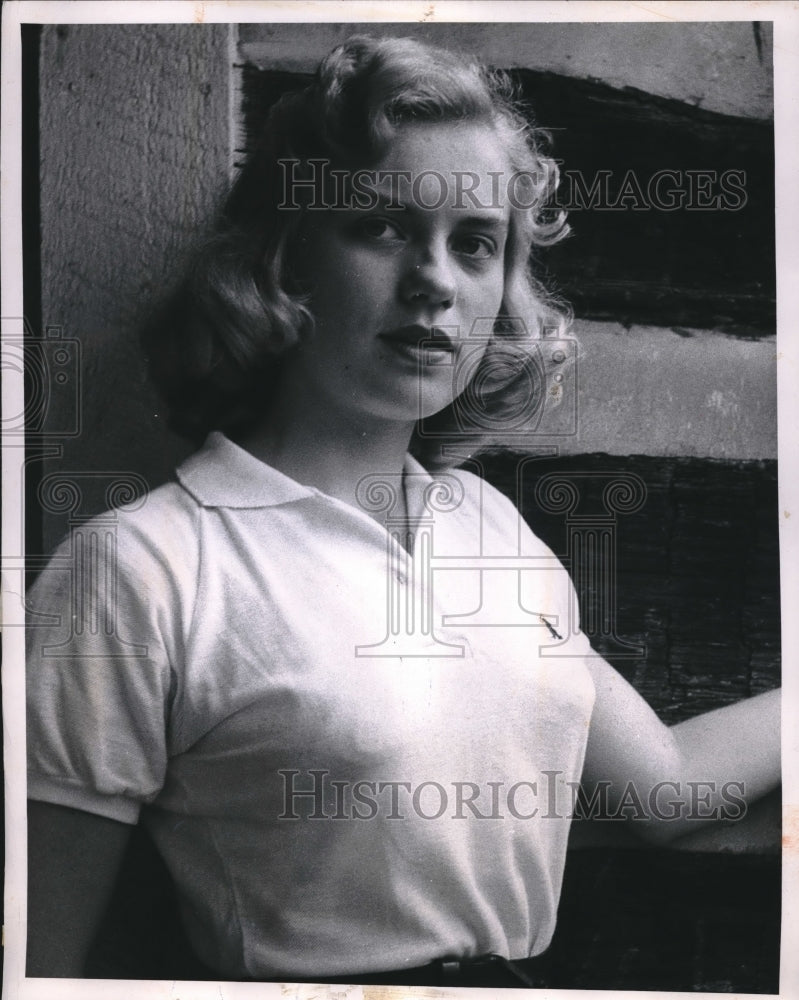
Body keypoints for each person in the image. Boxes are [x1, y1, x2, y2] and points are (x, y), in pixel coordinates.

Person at [26, 34, 780, 987]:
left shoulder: (487, 529)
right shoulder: (143, 568)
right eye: (381, 227)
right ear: (287, 258)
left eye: (474, 244)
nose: (434, 281)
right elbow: (40, 963)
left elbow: (663, 790)